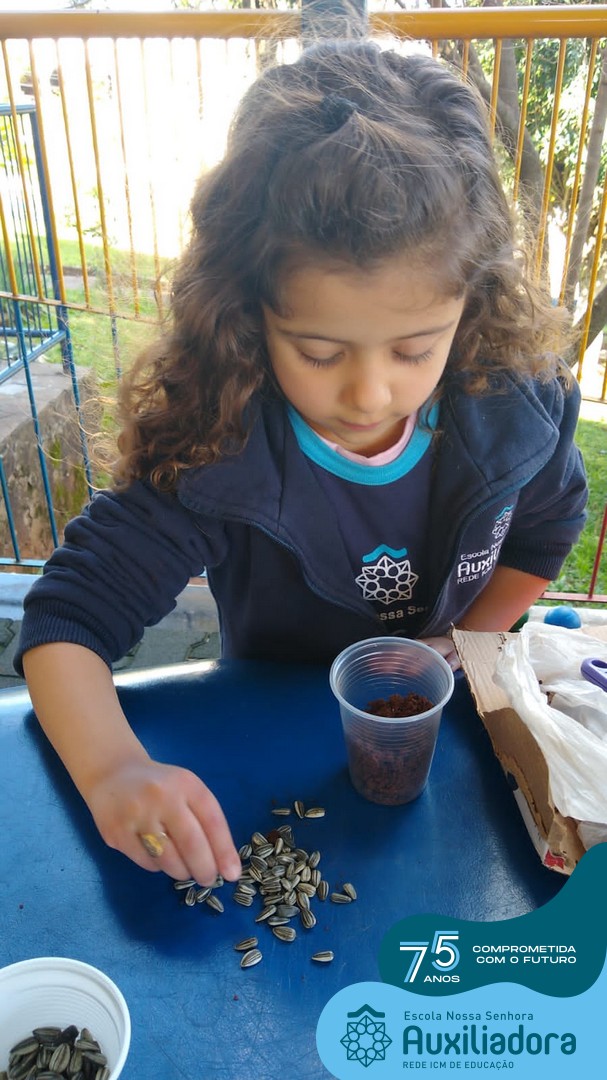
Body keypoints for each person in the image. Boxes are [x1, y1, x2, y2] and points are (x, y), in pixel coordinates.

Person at [15, 39, 587, 890]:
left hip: (448, 748)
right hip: (264, 729)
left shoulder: (514, 404)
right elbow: (66, 619)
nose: (369, 392)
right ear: (248, 312)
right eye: (318, 352)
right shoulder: (216, 441)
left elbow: (546, 527)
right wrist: (113, 770)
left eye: (414, 348)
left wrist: (461, 642)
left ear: (469, 307)